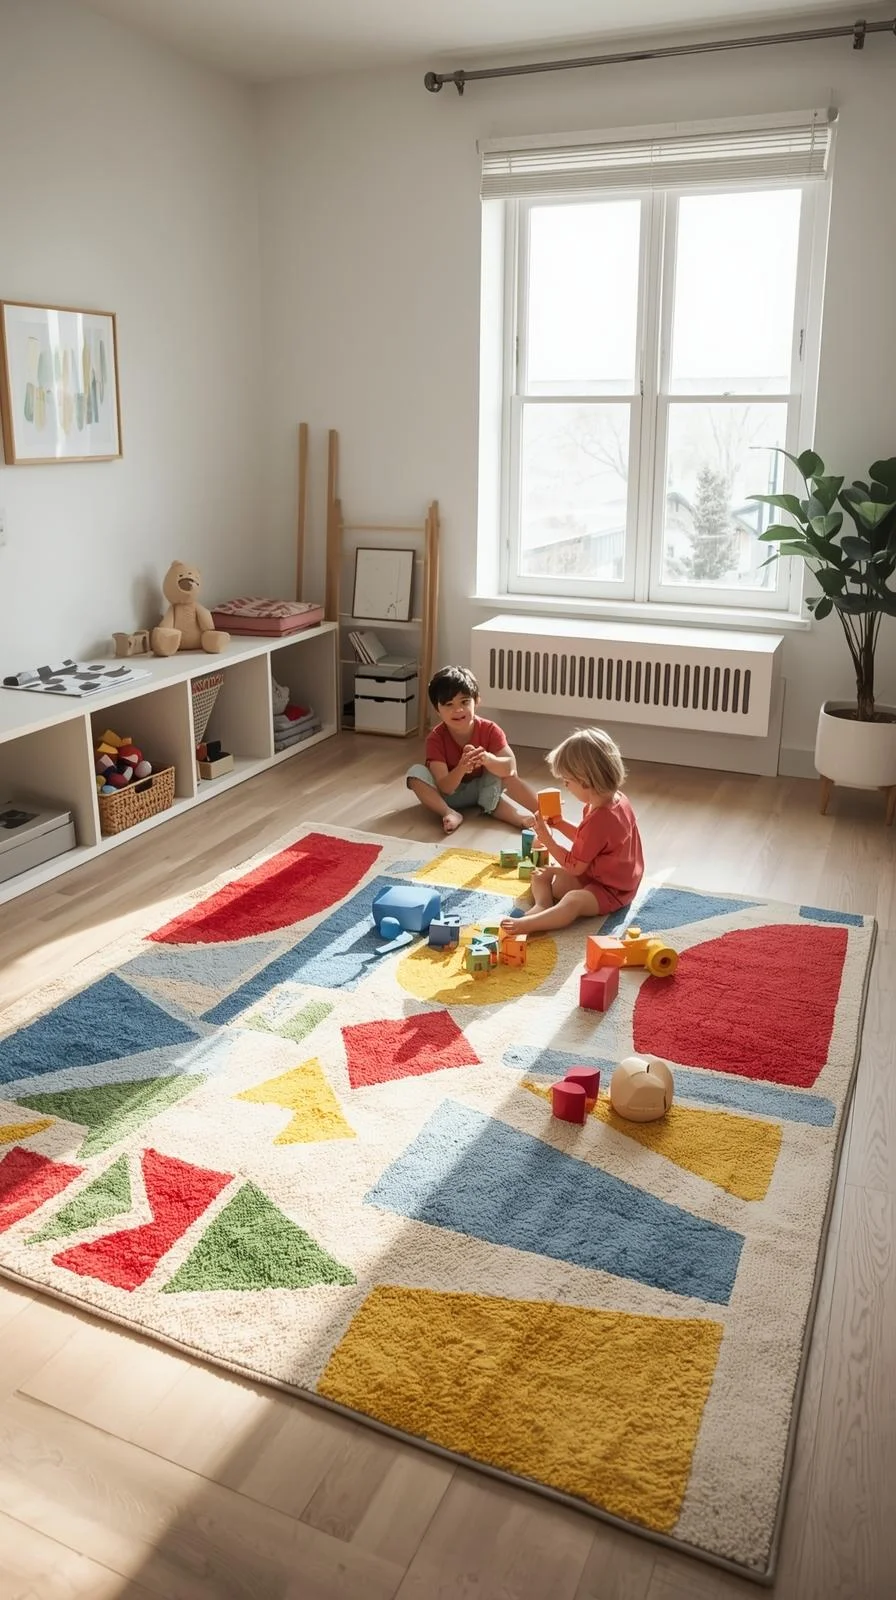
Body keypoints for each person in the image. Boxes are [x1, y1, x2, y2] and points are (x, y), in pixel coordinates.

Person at [501, 727, 643, 935]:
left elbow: (575, 866)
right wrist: (559, 824)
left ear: (585, 782)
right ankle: (543, 905)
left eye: (567, 781)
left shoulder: (599, 819)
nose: (565, 786)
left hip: (613, 890)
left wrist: (548, 839)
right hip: (600, 874)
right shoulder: (614, 800)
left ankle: (528, 924)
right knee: (542, 874)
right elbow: (589, 841)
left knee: (572, 901)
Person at [406, 665, 539, 834]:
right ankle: (448, 813)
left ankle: (532, 815)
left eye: (464, 702)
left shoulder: (490, 729)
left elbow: (510, 769)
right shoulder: (436, 738)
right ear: (437, 710)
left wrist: (488, 759)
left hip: (484, 791)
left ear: (476, 701)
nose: (458, 710)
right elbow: (446, 787)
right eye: (448, 704)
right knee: (415, 773)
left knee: (502, 773)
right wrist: (462, 767)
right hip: (449, 797)